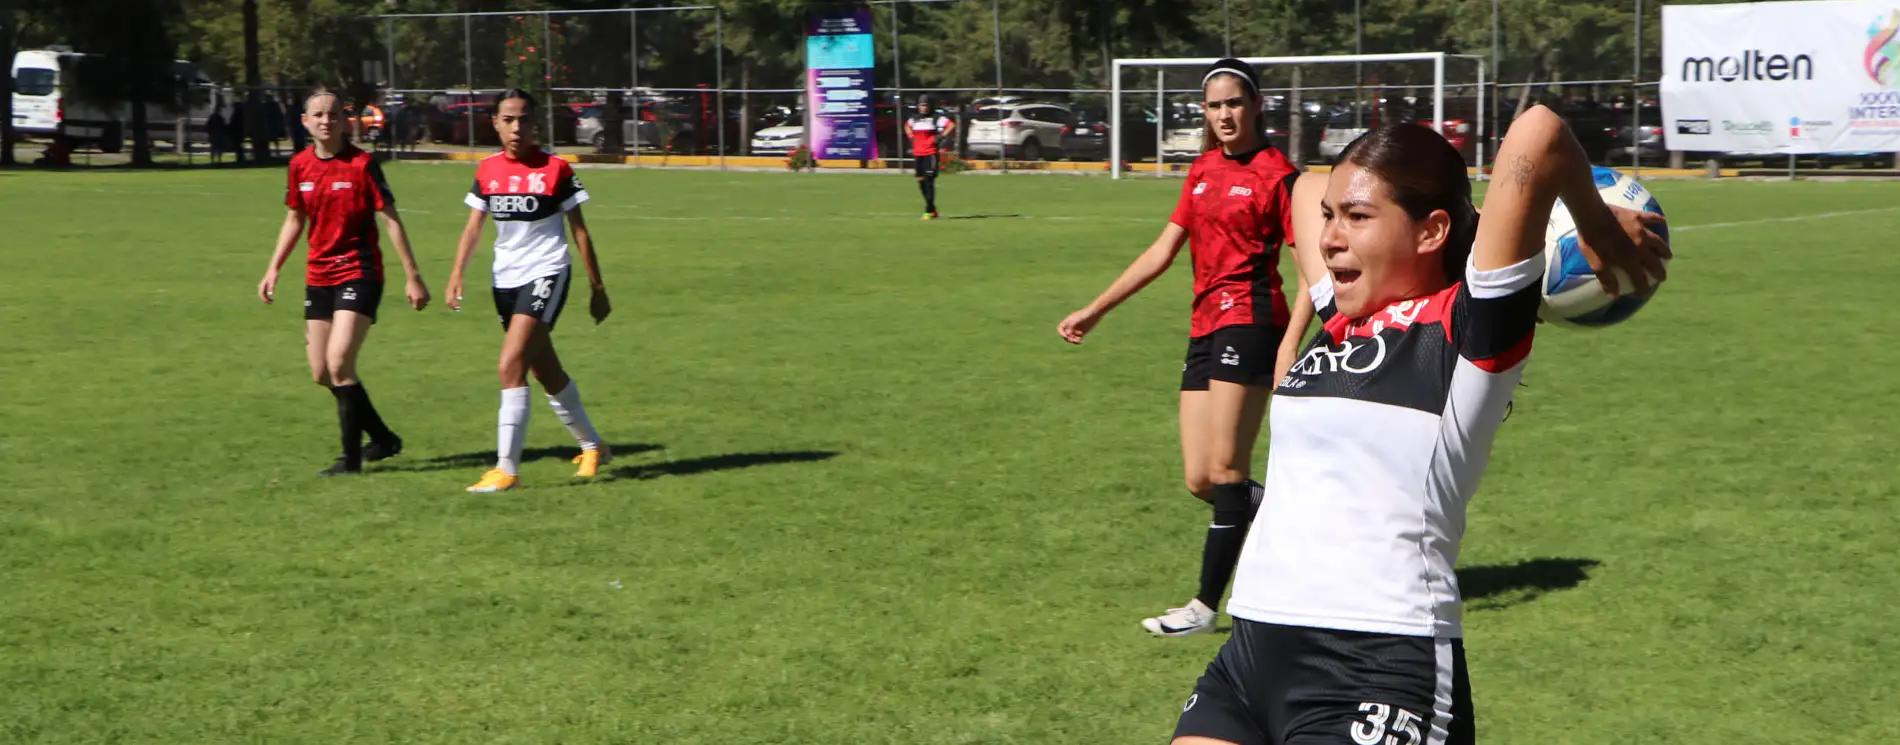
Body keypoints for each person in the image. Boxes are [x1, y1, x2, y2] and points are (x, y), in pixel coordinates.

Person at [1166, 112, 1668, 745]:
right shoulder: (1345, 316)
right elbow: (1305, 188)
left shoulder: (1469, 329)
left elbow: (1537, 132)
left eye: (1357, 218)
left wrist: (1591, 230)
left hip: (1375, 665)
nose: (1329, 239)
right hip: (1249, 658)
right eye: (1333, 217)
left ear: (1431, 232)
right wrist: (1440, 219)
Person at [1056, 59, 1310, 637]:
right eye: (1215, 105)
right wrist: (1096, 309)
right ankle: (1307, 521)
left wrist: (1289, 344)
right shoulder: (1199, 171)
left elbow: (1307, 270)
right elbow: (1160, 252)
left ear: (1256, 106)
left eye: (1235, 103)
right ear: (1205, 111)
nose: (1225, 114)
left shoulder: (1278, 175)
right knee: (1201, 479)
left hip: (1250, 322)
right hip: (1203, 327)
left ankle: (1203, 607)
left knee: (1226, 468)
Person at [446, 89, 614, 494]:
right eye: (509, 119)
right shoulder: (487, 169)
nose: (517, 127)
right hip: (505, 280)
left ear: (535, 123)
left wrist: (597, 287)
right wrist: (456, 274)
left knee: (509, 365)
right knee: (545, 370)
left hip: (547, 273)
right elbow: (474, 227)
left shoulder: (556, 169)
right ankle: (593, 446)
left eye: (524, 119)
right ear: (496, 123)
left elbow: (580, 230)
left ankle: (507, 469)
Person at [258, 89, 432, 476]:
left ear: (345, 121)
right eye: (317, 114)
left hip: (359, 271)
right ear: (304, 121)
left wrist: (412, 275)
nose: (325, 120)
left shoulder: (362, 164)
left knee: (339, 363)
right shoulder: (300, 166)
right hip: (318, 275)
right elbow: (295, 219)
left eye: (333, 114)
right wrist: (273, 268)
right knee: (321, 372)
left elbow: (390, 218)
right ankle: (384, 439)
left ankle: (351, 462)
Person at [903, 95, 954, 220]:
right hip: (918, 154)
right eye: (921, 105)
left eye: (925, 105)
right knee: (920, 181)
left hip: (930, 153)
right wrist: (910, 136)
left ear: (929, 106)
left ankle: (927, 211)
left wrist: (941, 136)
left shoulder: (936, 118)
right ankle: (932, 208)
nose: (923, 108)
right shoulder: (914, 119)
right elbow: (906, 126)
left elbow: (951, 125)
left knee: (929, 181)